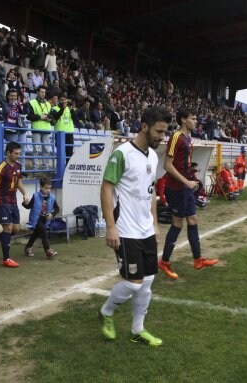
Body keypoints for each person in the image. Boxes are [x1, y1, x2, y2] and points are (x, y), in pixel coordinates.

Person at [98, 106, 171, 347]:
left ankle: (137, 330)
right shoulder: (122, 154)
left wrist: (155, 223)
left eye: (164, 132)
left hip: (146, 229)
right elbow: (106, 188)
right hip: (125, 229)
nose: (162, 137)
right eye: (159, 131)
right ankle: (106, 312)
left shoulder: (151, 155)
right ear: (144, 127)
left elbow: (150, 193)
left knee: (147, 282)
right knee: (132, 282)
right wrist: (111, 226)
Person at [158, 107, 218, 280]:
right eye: (193, 118)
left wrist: (192, 180)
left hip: (185, 187)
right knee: (177, 223)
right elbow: (167, 165)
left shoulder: (188, 139)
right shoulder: (176, 137)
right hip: (176, 188)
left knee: (192, 219)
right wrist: (186, 182)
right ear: (183, 120)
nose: (196, 121)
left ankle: (198, 259)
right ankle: (165, 261)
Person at [0, 141, 29, 268]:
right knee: (8, 228)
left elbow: (18, 181)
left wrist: (24, 193)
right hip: (2, 200)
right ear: (8, 153)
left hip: (13, 200)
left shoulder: (18, 165)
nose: (18, 155)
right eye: (16, 153)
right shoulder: (1, 168)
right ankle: (6, 259)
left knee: (15, 229)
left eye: (19, 153)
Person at [22, 176, 59, 258]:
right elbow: (29, 206)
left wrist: (52, 214)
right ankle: (47, 251)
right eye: (46, 188)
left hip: (45, 219)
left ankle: (28, 248)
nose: (48, 190)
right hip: (36, 219)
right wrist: (24, 203)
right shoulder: (35, 196)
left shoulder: (52, 197)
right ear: (41, 187)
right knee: (43, 231)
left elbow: (57, 209)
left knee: (36, 233)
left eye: (50, 188)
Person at [25, 86, 53, 170]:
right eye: (41, 92)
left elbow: (52, 115)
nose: (43, 94)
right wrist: (40, 117)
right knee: (36, 150)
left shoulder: (48, 103)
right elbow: (29, 116)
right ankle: (35, 168)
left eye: (44, 92)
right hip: (36, 129)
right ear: (37, 92)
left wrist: (50, 118)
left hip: (47, 129)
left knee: (46, 150)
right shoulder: (32, 102)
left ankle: (46, 168)